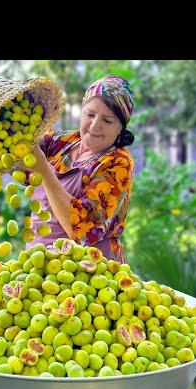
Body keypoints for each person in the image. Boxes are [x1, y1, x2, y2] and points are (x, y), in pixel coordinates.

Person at [24, 76, 136, 263]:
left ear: (120, 129)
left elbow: (80, 230)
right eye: (90, 115)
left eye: (107, 121)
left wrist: (44, 169)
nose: (94, 126)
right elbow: (20, 161)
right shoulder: (63, 142)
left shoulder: (118, 163)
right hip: (40, 266)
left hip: (91, 276)